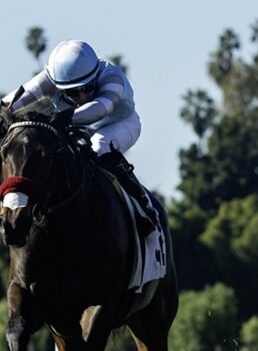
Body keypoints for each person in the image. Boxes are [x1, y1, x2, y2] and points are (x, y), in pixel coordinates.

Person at [1, 40, 156, 230]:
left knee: (99, 145)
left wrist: (64, 117)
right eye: (72, 92)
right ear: (57, 85)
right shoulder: (49, 80)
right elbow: (10, 103)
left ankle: (142, 206)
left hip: (121, 125)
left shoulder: (113, 77)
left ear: (95, 75)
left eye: (88, 87)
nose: (82, 96)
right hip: (77, 128)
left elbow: (101, 107)